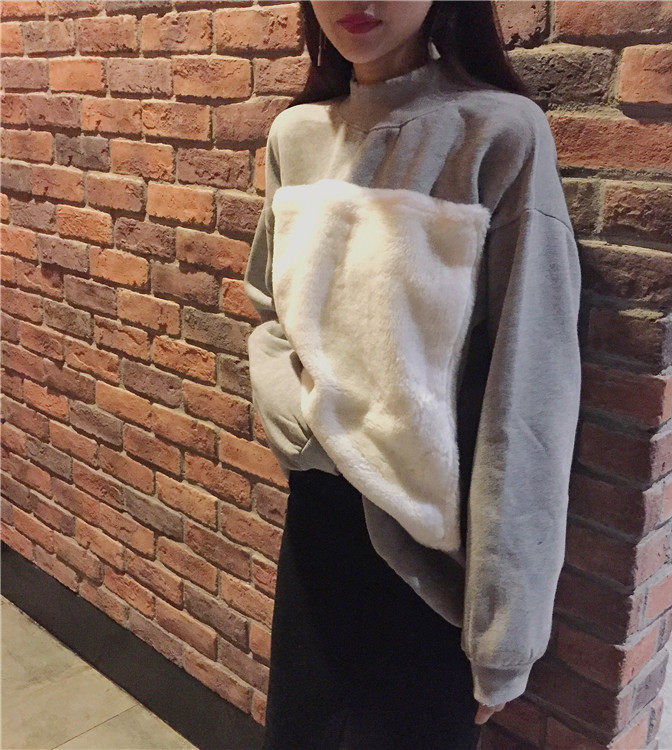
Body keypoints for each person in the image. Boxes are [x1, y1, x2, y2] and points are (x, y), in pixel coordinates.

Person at [243, 2, 583, 748]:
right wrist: (305, 418)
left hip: (432, 566)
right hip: (317, 532)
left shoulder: (499, 133)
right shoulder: (296, 136)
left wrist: (504, 633)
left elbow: (529, 390)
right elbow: (270, 315)